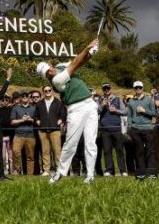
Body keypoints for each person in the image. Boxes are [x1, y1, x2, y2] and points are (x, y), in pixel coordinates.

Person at [37, 39, 99, 184]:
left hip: (90, 104)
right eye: (46, 74)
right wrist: (87, 47)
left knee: (91, 142)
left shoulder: (60, 66)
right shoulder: (57, 81)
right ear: (46, 77)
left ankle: (90, 175)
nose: (49, 73)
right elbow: (75, 64)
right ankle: (60, 173)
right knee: (71, 143)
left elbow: (80, 62)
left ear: (50, 65)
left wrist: (91, 52)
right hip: (75, 109)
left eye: (48, 70)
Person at [126, 81, 158, 178]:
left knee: (150, 150)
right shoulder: (131, 101)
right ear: (134, 89)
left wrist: (144, 111)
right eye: (136, 88)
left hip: (147, 128)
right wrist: (129, 127)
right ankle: (141, 173)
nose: (138, 89)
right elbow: (129, 116)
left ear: (143, 88)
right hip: (135, 129)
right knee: (138, 151)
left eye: (140, 87)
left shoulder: (149, 100)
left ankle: (152, 173)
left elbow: (155, 113)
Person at [97, 83, 128, 177]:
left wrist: (116, 111)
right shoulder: (99, 100)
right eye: (104, 89)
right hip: (105, 129)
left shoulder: (117, 99)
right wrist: (102, 106)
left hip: (116, 128)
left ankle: (123, 170)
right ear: (103, 90)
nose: (106, 90)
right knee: (107, 151)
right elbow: (95, 112)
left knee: (119, 150)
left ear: (111, 89)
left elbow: (125, 111)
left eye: (108, 88)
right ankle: (109, 170)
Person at [35, 84, 65, 176]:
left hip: (55, 129)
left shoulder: (58, 102)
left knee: (57, 151)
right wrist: (38, 121)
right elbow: (36, 115)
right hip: (43, 130)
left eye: (49, 90)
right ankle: (46, 170)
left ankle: (59, 170)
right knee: (45, 151)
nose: (47, 92)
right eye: (45, 91)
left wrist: (60, 121)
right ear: (43, 92)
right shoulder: (39, 103)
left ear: (51, 91)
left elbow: (63, 114)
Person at [11, 91, 36, 175]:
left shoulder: (33, 108)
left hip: (30, 135)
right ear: (20, 97)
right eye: (23, 95)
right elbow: (12, 122)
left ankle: (30, 174)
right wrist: (22, 120)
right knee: (15, 152)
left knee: (30, 156)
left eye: (26, 95)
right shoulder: (16, 108)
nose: (25, 97)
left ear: (29, 97)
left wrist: (30, 119)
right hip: (18, 135)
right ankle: (17, 170)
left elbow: (37, 121)